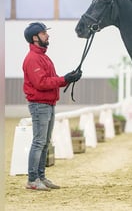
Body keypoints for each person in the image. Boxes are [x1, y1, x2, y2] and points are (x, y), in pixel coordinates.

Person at [23, 22, 82, 190]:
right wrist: (64, 79)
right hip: (40, 104)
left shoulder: (43, 57)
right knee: (39, 141)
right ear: (35, 38)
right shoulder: (33, 59)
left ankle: (40, 177)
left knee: (45, 141)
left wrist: (69, 77)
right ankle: (33, 179)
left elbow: (52, 79)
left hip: (48, 103)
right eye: (43, 33)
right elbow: (41, 83)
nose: (47, 36)